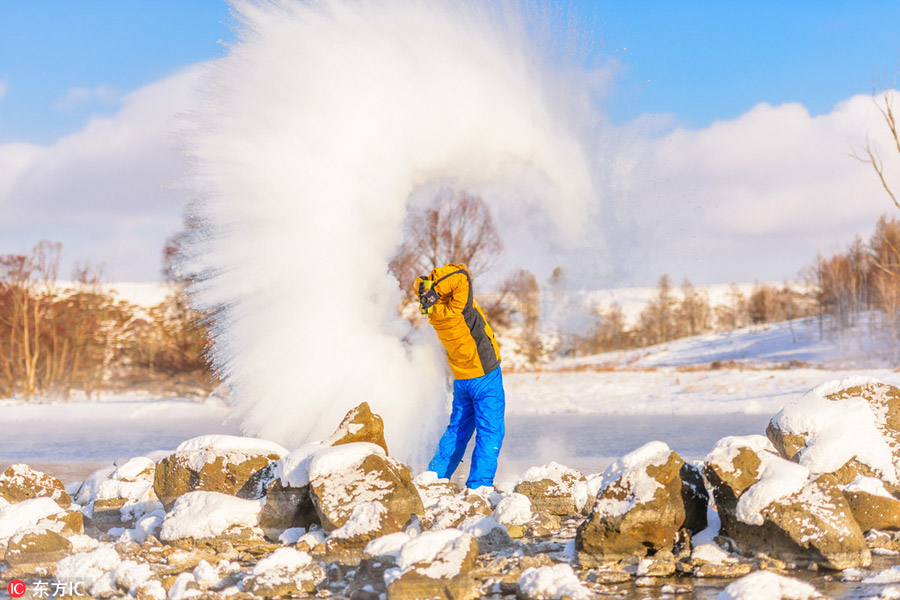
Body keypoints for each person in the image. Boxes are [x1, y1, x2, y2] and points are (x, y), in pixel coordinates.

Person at [414, 262, 505, 490]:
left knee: (457, 431)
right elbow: (461, 276)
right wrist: (435, 290)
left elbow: (424, 284)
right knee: (490, 431)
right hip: (485, 376)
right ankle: (479, 486)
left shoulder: (436, 313)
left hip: (463, 380)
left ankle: (435, 478)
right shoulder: (458, 308)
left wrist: (429, 292)